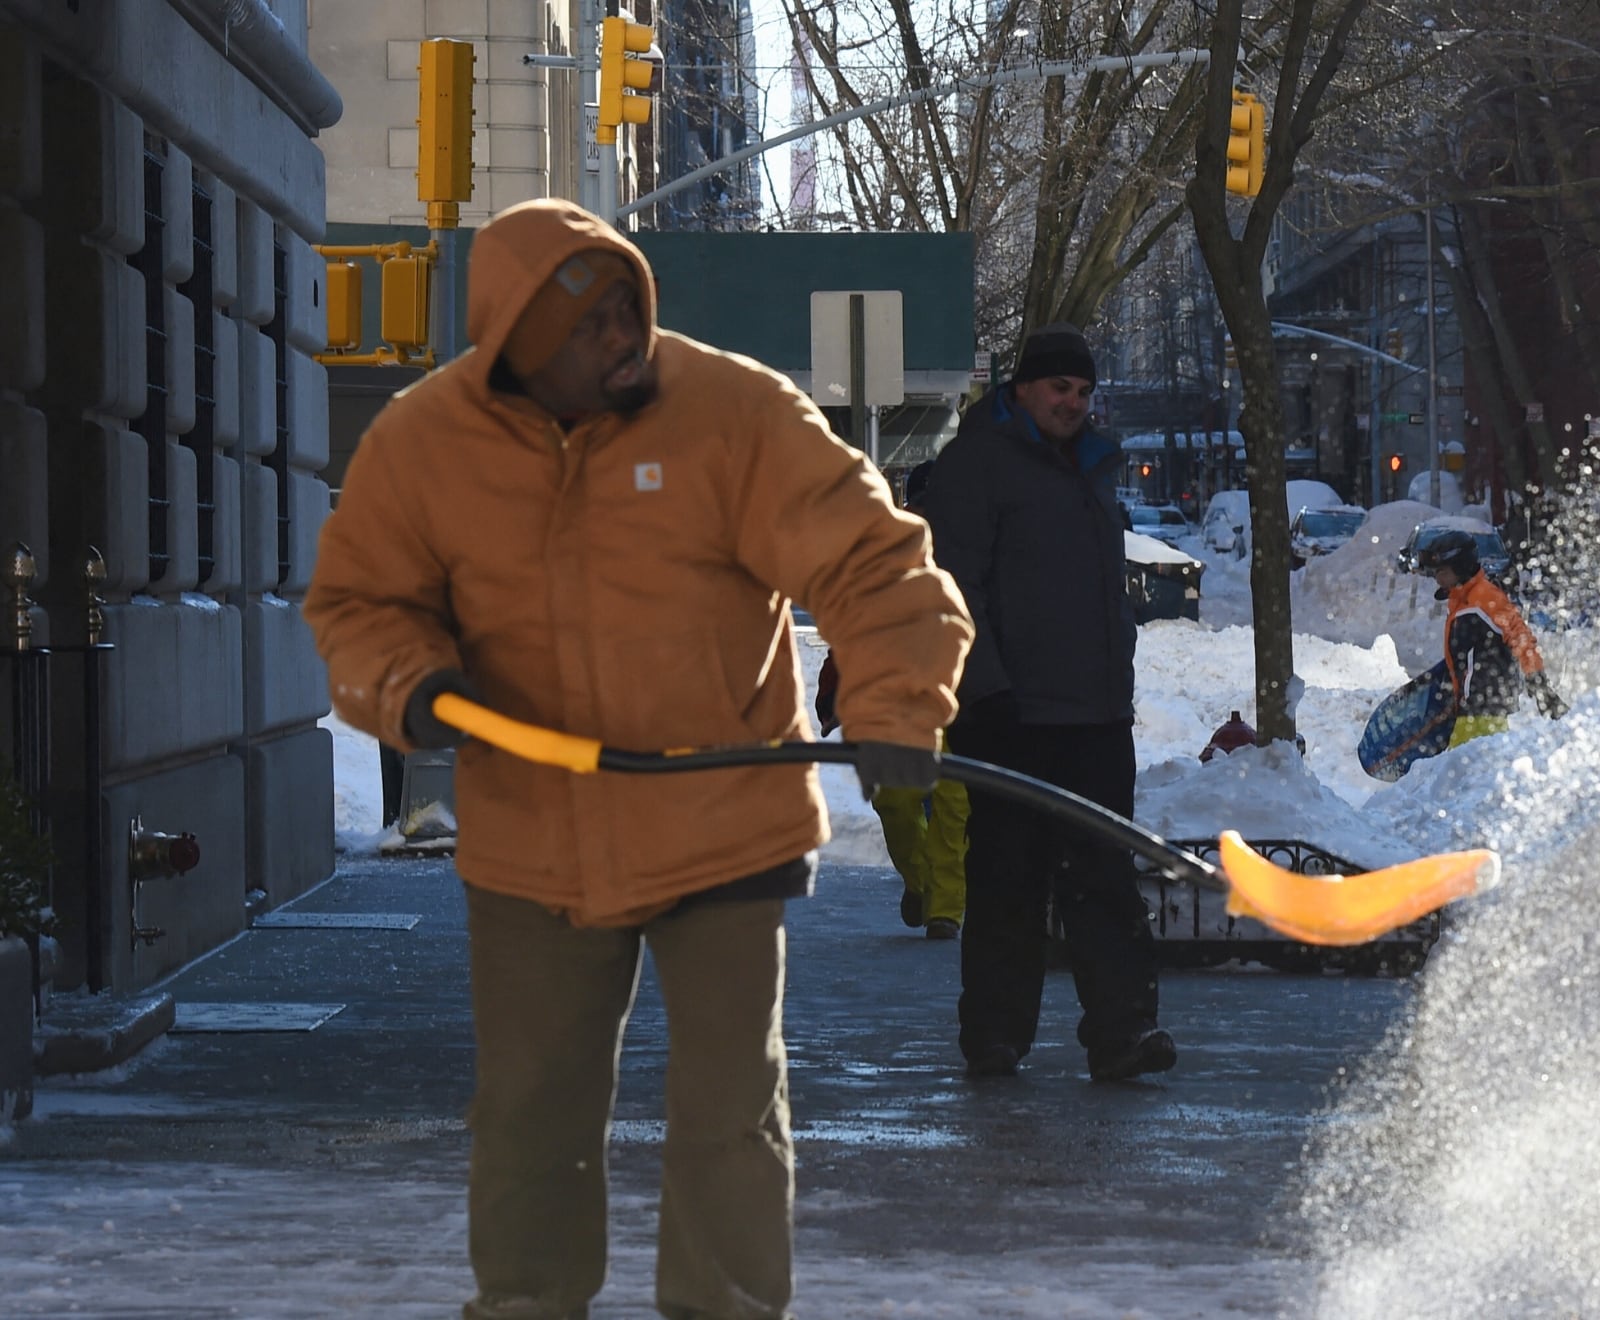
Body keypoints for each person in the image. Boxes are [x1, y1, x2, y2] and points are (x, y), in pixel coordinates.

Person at [304, 198, 972, 1320]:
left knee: (727, 1113)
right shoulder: (425, 445)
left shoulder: (733, 413)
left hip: (724, 818)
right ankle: (525, 1304)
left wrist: (900, 703)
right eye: (591, 328)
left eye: (628, 310)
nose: (624, 339)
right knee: (528, 1111)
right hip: (532, 835)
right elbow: (358, 602)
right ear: (518, 348)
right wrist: (411, 682)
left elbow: (876, 560)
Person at [921, 322, 1175, 1083]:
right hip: (1013, 716)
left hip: (1095, 717)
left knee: (1104, 878)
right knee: (1007, 880)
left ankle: (1122, 1034)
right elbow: (953, 588)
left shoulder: (1091, 470)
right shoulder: (977, 466)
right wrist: (985, 693)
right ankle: (996, 1037)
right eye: (1060, 387)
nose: (1075, 402)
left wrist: (1117, 689)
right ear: (1023, 388)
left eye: (1084, 390)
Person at [815, 464, 970, 940]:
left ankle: (946, 907)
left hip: (963, 695)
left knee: (952, 803)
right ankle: (921, 883)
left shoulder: (976, 552)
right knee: (897, 801)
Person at [1419, 530, 1567, 746]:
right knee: (1460, 773)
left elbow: (1520, 636)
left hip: (1485, 707)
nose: (1437, 579)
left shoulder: (1485, 599)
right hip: (1472, 707)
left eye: (1441, 572)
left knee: (1464, 774)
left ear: (1461, 568)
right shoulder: (1462, 600)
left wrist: (1538, 682)